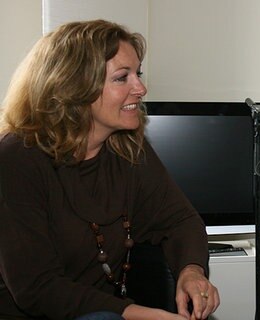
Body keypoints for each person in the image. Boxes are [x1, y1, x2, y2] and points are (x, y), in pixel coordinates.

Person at [0, 20, 220, 320]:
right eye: (122, 78)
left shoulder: (128, 148)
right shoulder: (17, 159)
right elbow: (37, 288)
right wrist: (144, 315)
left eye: (138, 74)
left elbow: (180, 219)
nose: (141, 88)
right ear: (74, 86)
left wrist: (191, 271)